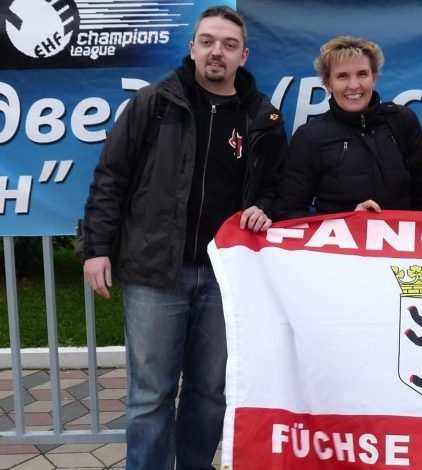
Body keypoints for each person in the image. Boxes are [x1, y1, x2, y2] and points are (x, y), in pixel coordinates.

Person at [80, 6, 287, 469]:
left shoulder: (262, 116)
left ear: (243, 55)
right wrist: (96, 249)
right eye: (208, 41)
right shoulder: (153, 103)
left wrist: (267, 207)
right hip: (155, 271)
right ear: (192, 47)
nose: (217, 52)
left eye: (229, 45)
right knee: (150, 395)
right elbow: (111, 177)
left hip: (226, 277)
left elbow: (277, 185)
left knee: (209, 392)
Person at [273, 35, 422, 220]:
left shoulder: (402, 120)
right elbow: (286, 213)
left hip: (403, 236)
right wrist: (349, 220)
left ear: (374, 78)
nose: (353, 85)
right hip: (339, 239)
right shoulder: (309, 137)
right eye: (342, 76)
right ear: (328, 83)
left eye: (362, 74)